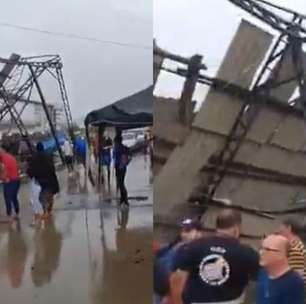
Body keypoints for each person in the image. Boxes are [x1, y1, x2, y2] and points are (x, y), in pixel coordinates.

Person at [171, 209, 259, 304]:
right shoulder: (246, 252)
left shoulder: (193, 246)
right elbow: (262, 279)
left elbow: (177, 278)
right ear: (237, 228)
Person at [154, 218, 205, 304]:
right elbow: (160, 254)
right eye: (183, 231)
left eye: (188, 231)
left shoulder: (199, 250)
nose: (184, 234)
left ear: (199, 232)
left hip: (176, 293)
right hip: (159, 289)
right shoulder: (174, 244)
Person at [256, 234, 305, 304]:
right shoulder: (263, 273)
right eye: (261, 248)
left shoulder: (293, 283)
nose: (261, 253)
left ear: (282, 254)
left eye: (267, 249)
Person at [28, 142, 59, 218]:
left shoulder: (34, 157)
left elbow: (30, 170)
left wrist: (32, 176)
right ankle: (49, 210)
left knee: (42, 197)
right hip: (51, 179)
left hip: (41, 180)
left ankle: (45, 212)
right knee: (50, 195)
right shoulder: (48, 156)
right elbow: (52, 168)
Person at [277, 217, 306, 284]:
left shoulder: (295, 249)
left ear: (289, 228)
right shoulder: (296, 244)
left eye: (282, 228)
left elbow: (297, 277)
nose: (279, 230)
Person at [0, 145, 21, 222]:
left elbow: (4, 172)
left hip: (10, 180)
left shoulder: (5, 159)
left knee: (8, 197)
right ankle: (16, 212)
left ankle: (9, 216)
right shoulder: (9, 156)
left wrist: (3, 178)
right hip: (16, 180)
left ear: (2, 150)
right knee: (13, 197)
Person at [113, 134, 131, 206]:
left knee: (121, 183)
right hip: (120, 166)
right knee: (120, 183)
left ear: (117, 141)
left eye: (115, 141)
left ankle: (124, 199)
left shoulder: (119, 148)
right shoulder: (120, 147)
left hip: (120, 167)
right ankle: (123, 199)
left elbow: (124, 157)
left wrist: (122, 165)